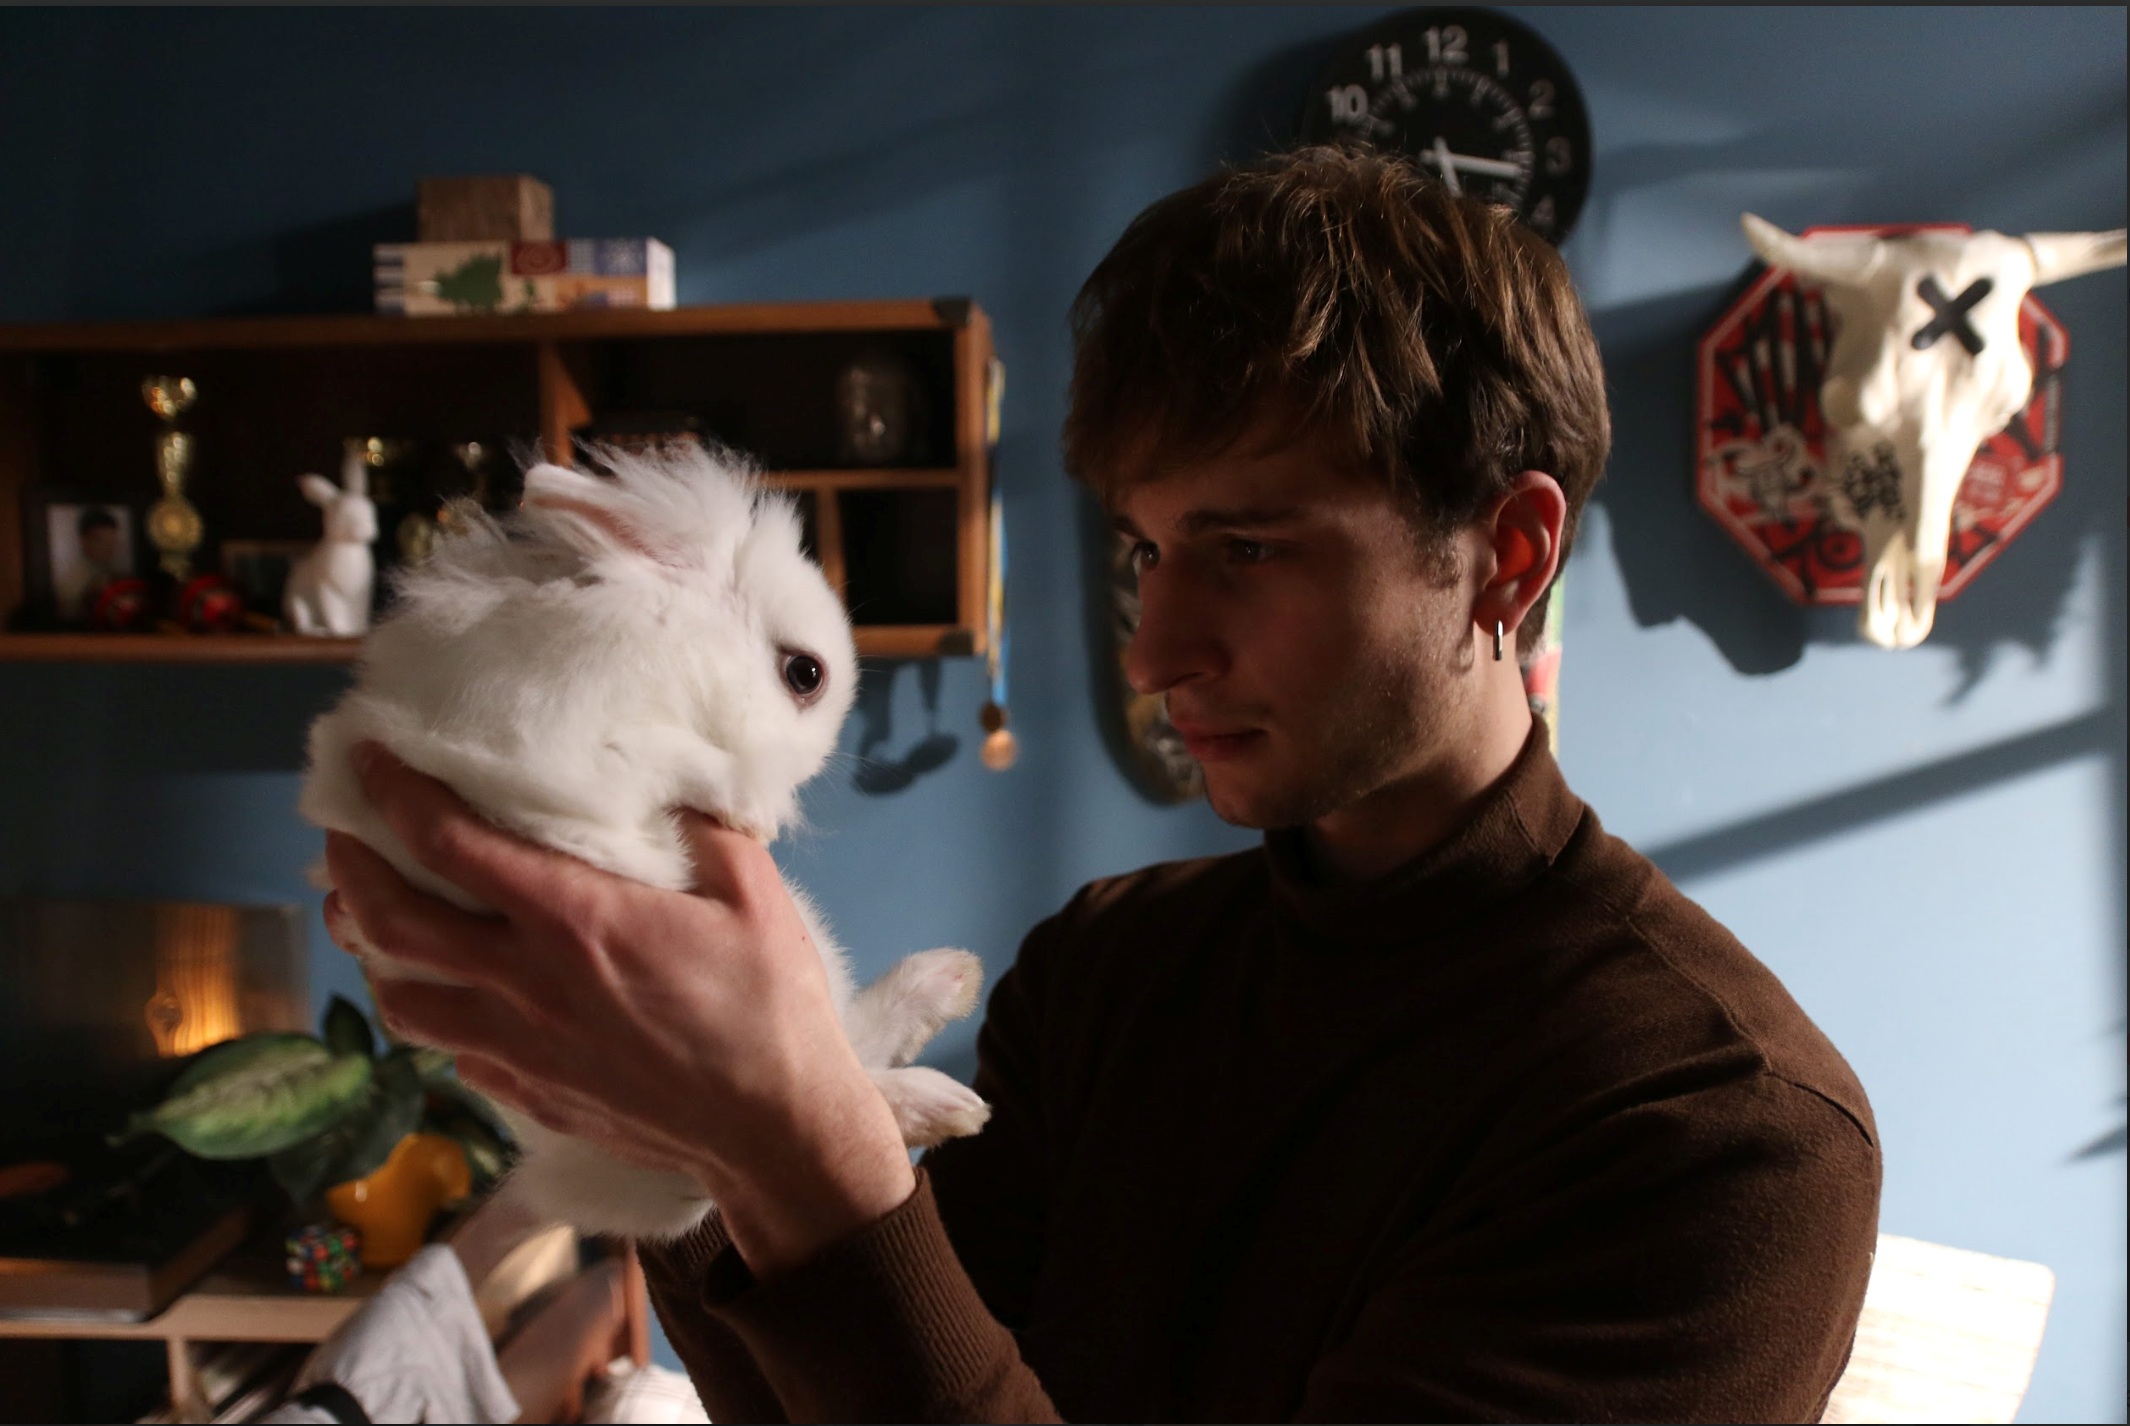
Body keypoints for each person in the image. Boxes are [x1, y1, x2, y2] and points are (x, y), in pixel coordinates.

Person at [324, 147, 1879, 1423]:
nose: (1154, 648)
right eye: (1146, 546)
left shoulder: (1721, 1134)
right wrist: (680, 1132)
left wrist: (795, 1142)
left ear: (1506, 557)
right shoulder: (1107, 971)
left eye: (1246, 545)